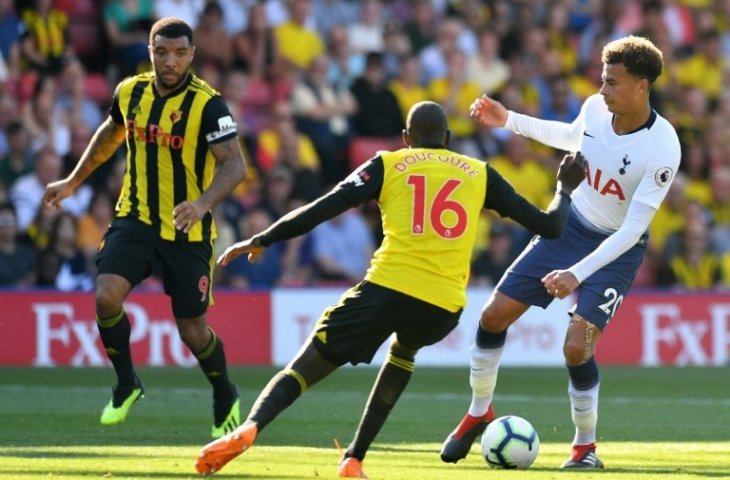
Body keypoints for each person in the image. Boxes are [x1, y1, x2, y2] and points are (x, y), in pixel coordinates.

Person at [193, 100, 585, 477]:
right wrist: (565, 188)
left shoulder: (389, 163)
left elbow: (325, 206)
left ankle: (252, 427)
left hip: (386, 287)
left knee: (306, 366)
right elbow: (550, 227)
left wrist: (263, 237)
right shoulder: (480, 172)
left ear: (405, 137)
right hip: (443, 307)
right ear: (447, 138)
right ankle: (353, 460)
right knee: (403, 352)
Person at [440, 36, 681, 469]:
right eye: (603, 80)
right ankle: (479, 411)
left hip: (616, 250)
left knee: (577, 347)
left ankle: (585, 448)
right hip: (568, 231)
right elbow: (572, 135)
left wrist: (576, 273)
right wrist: (508, 119)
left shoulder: (663, 148)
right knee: (491, 316)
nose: (602, 90)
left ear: (642, 86)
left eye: (612, 83)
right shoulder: (595, 109)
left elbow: (631, 231)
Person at [41, 18, 247, 438]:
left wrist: (203, 203)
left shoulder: (209, 105)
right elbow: (110, 133)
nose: (170, 61)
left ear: (192, 54)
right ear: (151, 51)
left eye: (179, 53)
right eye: (162, 52)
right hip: (136, 217)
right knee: (105, 296)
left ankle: (224, 391)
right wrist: (72, 181)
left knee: (192, 330)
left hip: (188, 230)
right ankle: (126, 383)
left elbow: (235, 165)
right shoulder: (130, 91)